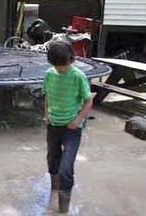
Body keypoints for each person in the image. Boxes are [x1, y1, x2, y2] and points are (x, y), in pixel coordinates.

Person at [42, 41, 93, 213]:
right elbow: (47, 95)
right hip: (53, 125)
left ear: (71, 60)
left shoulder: (78, 76)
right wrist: (46, 115)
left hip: (72, 128)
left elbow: (88, 100)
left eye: (63, 65)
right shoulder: (49, 74)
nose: (60, 69)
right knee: (52, 159)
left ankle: (63, 207)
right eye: (57, 66)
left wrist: (77, 120)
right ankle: (54, 188)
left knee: (66, 167)